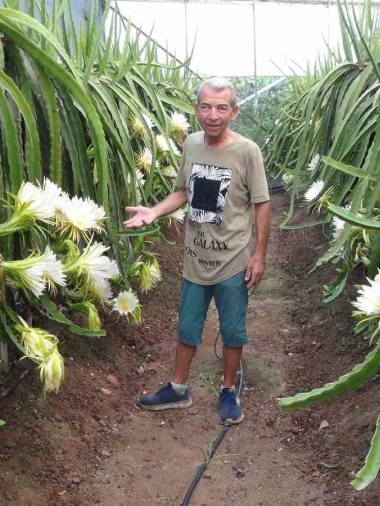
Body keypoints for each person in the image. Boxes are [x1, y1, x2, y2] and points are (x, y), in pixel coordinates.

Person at [123, 77, 271, 425]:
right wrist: (154, 211)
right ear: (196, 110)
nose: (213, 114)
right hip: (195, 259)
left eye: (222, 107)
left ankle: (228, 390)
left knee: (232, 330)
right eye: (206, 106)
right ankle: (178, 388)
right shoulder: (191, 144)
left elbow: (262, 205)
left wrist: (259, 255)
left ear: (234, 112)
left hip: (233, 260)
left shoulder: (248, 152)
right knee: (188, 325)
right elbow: (183, 192)